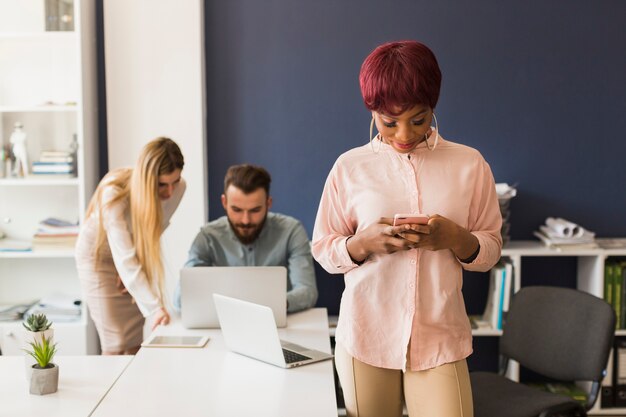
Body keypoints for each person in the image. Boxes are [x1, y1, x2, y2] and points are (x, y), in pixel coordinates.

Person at [312, 41, 502, 417]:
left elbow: (491, 248)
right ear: (372, 111)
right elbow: (324, 248)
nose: (404, 134)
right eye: (389, 121)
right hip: (365, 332)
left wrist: (455, 239)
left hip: (439, 336)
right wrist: (359, 245)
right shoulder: (349, 168)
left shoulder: (470, 164)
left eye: (418, 119)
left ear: (433, 107)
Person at [75, 137, 186, 355]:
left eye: (175, 181)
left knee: (135, 340)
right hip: (98, 257)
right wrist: (155, 307)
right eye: (162, 184)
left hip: (132, 253)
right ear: (146, 178)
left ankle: (134, 389)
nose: (170, 192)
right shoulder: (114, 192)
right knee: (116, 341)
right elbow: (123, 256)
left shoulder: (179, 189)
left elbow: (155, 229)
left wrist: (135, 271)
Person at [174, 163, 317, 313]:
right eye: (236, 210)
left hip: (280, 321)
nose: (245, 220)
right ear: (224, 202)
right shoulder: (207, 237)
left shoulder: (291, 231)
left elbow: (307, 291)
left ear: (268, 203)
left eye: (255, 210)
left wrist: (272, 305)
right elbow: (180, 299)